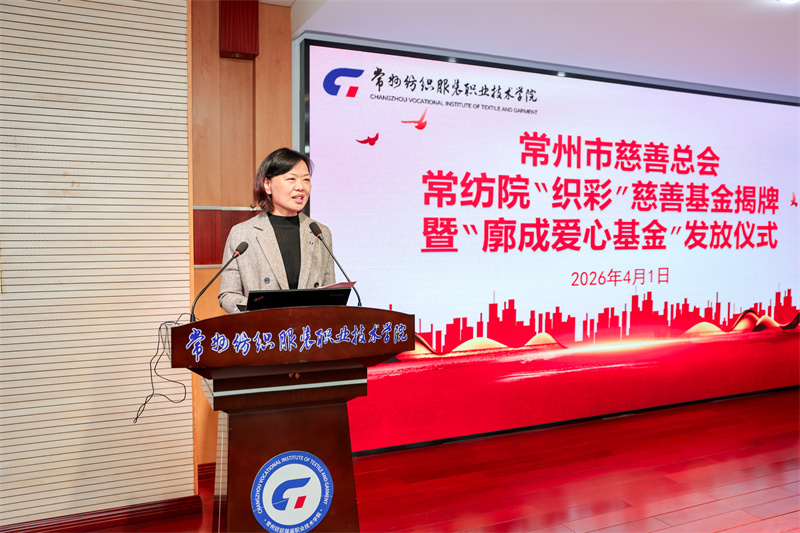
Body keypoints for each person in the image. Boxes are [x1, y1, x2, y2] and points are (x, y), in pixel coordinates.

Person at [218, 148, 335, 314]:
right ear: (267, 185)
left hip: (308, 327)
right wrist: (257, 309)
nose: (300, 187)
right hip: (262, 326)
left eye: (306, 180)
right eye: (291, 179)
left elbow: (330, 293)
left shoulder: (320, 233)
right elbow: (228, 294)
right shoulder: (242, 234)